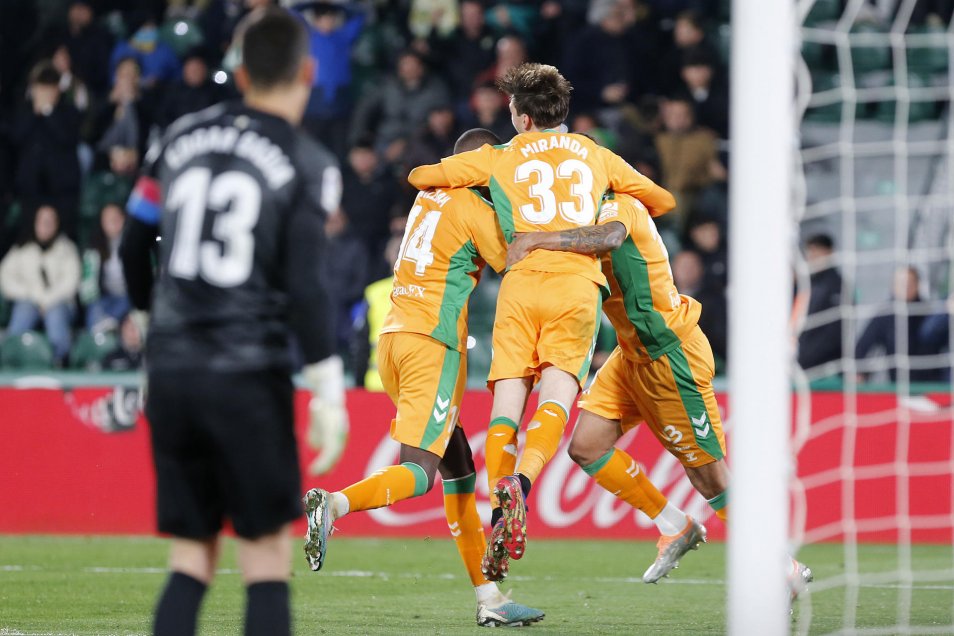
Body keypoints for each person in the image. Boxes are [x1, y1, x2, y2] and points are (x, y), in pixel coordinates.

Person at [118, 9, 347, 635]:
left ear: (239, 72)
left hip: (172, 369)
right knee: (266, 557)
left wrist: (149, 325)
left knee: (191, 556)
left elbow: (132, 247)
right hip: (249, 374)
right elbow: (306, 285)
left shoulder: (177, 136)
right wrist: (329, 387)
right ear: (307, 71)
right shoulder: (309, 162)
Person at [407, 63, 676, 579]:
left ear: (523, 117)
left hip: (520, 285)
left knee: (507, 402)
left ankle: (497, 516)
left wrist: (476, 183)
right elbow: (661, 201)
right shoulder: (596, 154)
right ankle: (522, 485)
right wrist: (603, 204)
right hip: (576, 287)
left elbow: (421, 177)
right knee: (555, 396)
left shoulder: (498, 157)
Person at [506, 191, 814, 595]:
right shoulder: (581, 213)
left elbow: (612, 237)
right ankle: (674, 525)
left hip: (670, 355)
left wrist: (537, 239)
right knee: (586, 446)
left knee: (709, 477)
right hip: (631, 353)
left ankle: (781, 565)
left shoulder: (615, 204)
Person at [303, 128, 544, 628]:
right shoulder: (472, 208)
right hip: (432, 344)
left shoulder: (427, 199)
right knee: (420, 473)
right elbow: (514, 259)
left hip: (392, 338)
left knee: (459, 470)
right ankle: (334, 504)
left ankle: (490, 599)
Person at [0, 204, 81, 366]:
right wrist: (33, 296)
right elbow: (5, 277)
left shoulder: (67, 248)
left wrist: (47, 301)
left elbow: (71, 283)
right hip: (30, 301)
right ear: (35, 223)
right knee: (24, 309)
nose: (46, 225)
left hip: (60, 304)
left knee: (55, 313)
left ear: (57, 224)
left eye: (50, 221)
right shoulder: (22, 249)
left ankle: (59, 361)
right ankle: (11, 358)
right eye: (42, 221)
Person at [855, 266, 944, 383]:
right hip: (898, 385)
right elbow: (863, 346)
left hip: (932, 385)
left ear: (917, 285)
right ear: (893, 286)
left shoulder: (930, 314)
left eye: (909, 283)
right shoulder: (885, 315)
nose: (905, 287)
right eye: (901, 283)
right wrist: (860, 372)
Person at [795, 234, 843, 371]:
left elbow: (834, 333)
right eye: (810, 251)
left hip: (825, 368)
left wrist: (806, 357)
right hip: (802, 363)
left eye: (817, 251)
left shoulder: (837, 286)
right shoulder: (807, 284)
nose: (812, 256)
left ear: (829, 252)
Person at [80, 202, 131, 333]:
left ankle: (110, 322)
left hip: (129, 296)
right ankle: (97, 340)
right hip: (105, 297)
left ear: (123, 218)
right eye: (108, 219)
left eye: (116, 217)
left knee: (129, 301)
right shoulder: (93, 249)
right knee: (95, 310)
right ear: (102, 223)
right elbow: (87, 288)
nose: (113, 222)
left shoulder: (135, 242)